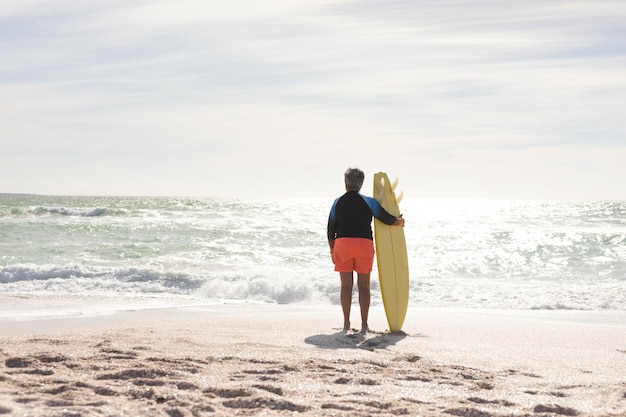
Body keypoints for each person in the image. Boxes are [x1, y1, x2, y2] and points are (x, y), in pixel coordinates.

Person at [327, 168, 405, 333]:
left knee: (346, 286)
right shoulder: (369, 202)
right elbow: (384, 217)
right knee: (364, 286)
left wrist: (332, 248)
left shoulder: (337, 202)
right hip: (364, 244)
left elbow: (330, 227)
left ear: (345, 183)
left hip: (343, 244)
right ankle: (364, 324)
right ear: (361, 184)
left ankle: (346, 324)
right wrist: (398, 222)